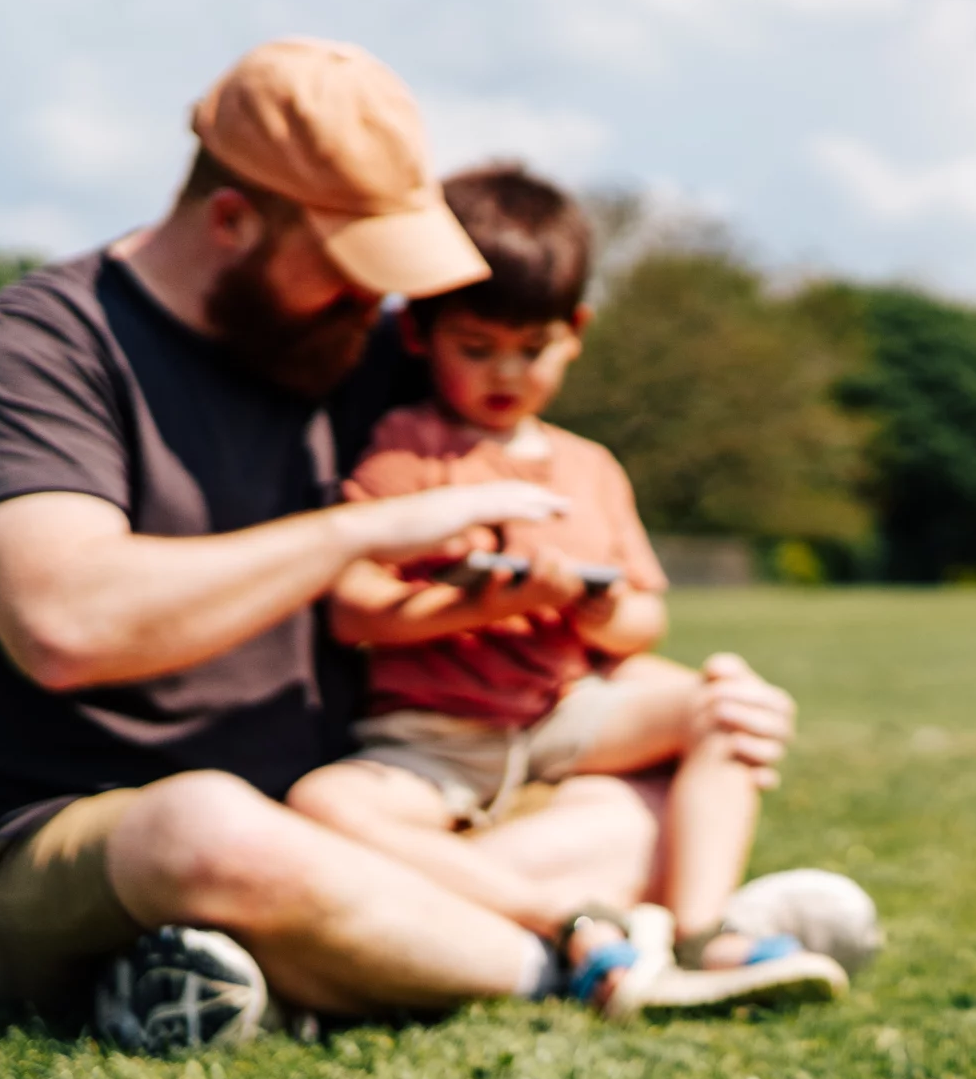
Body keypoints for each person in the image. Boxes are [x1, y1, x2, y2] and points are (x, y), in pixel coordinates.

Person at [0, 37, 807, 1052]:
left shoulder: (350, 343)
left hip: (376, 810)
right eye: (351, 271)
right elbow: (65, 622)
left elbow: (532, 538)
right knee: (209, 831)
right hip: (94, 836)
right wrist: (365, 530)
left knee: (654, 779)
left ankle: (325, 958)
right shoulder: (42, 349)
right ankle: (566, 966)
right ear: (233, 221)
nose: (378, 308)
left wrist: (680, 683)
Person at [284, 163, 870, 1016]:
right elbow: (351, 607)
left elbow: (643, 617)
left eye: (534, 349)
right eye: (476, 348)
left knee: (728, 706)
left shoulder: (590, 467)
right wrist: (471, 606)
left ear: (576, 332)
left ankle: (703, 930)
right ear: (420, 335)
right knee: (322, 804)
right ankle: (571, 923)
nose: (507, 373)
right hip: (432, 737)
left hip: (562, 714)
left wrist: (597, 610)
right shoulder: (405, 452)